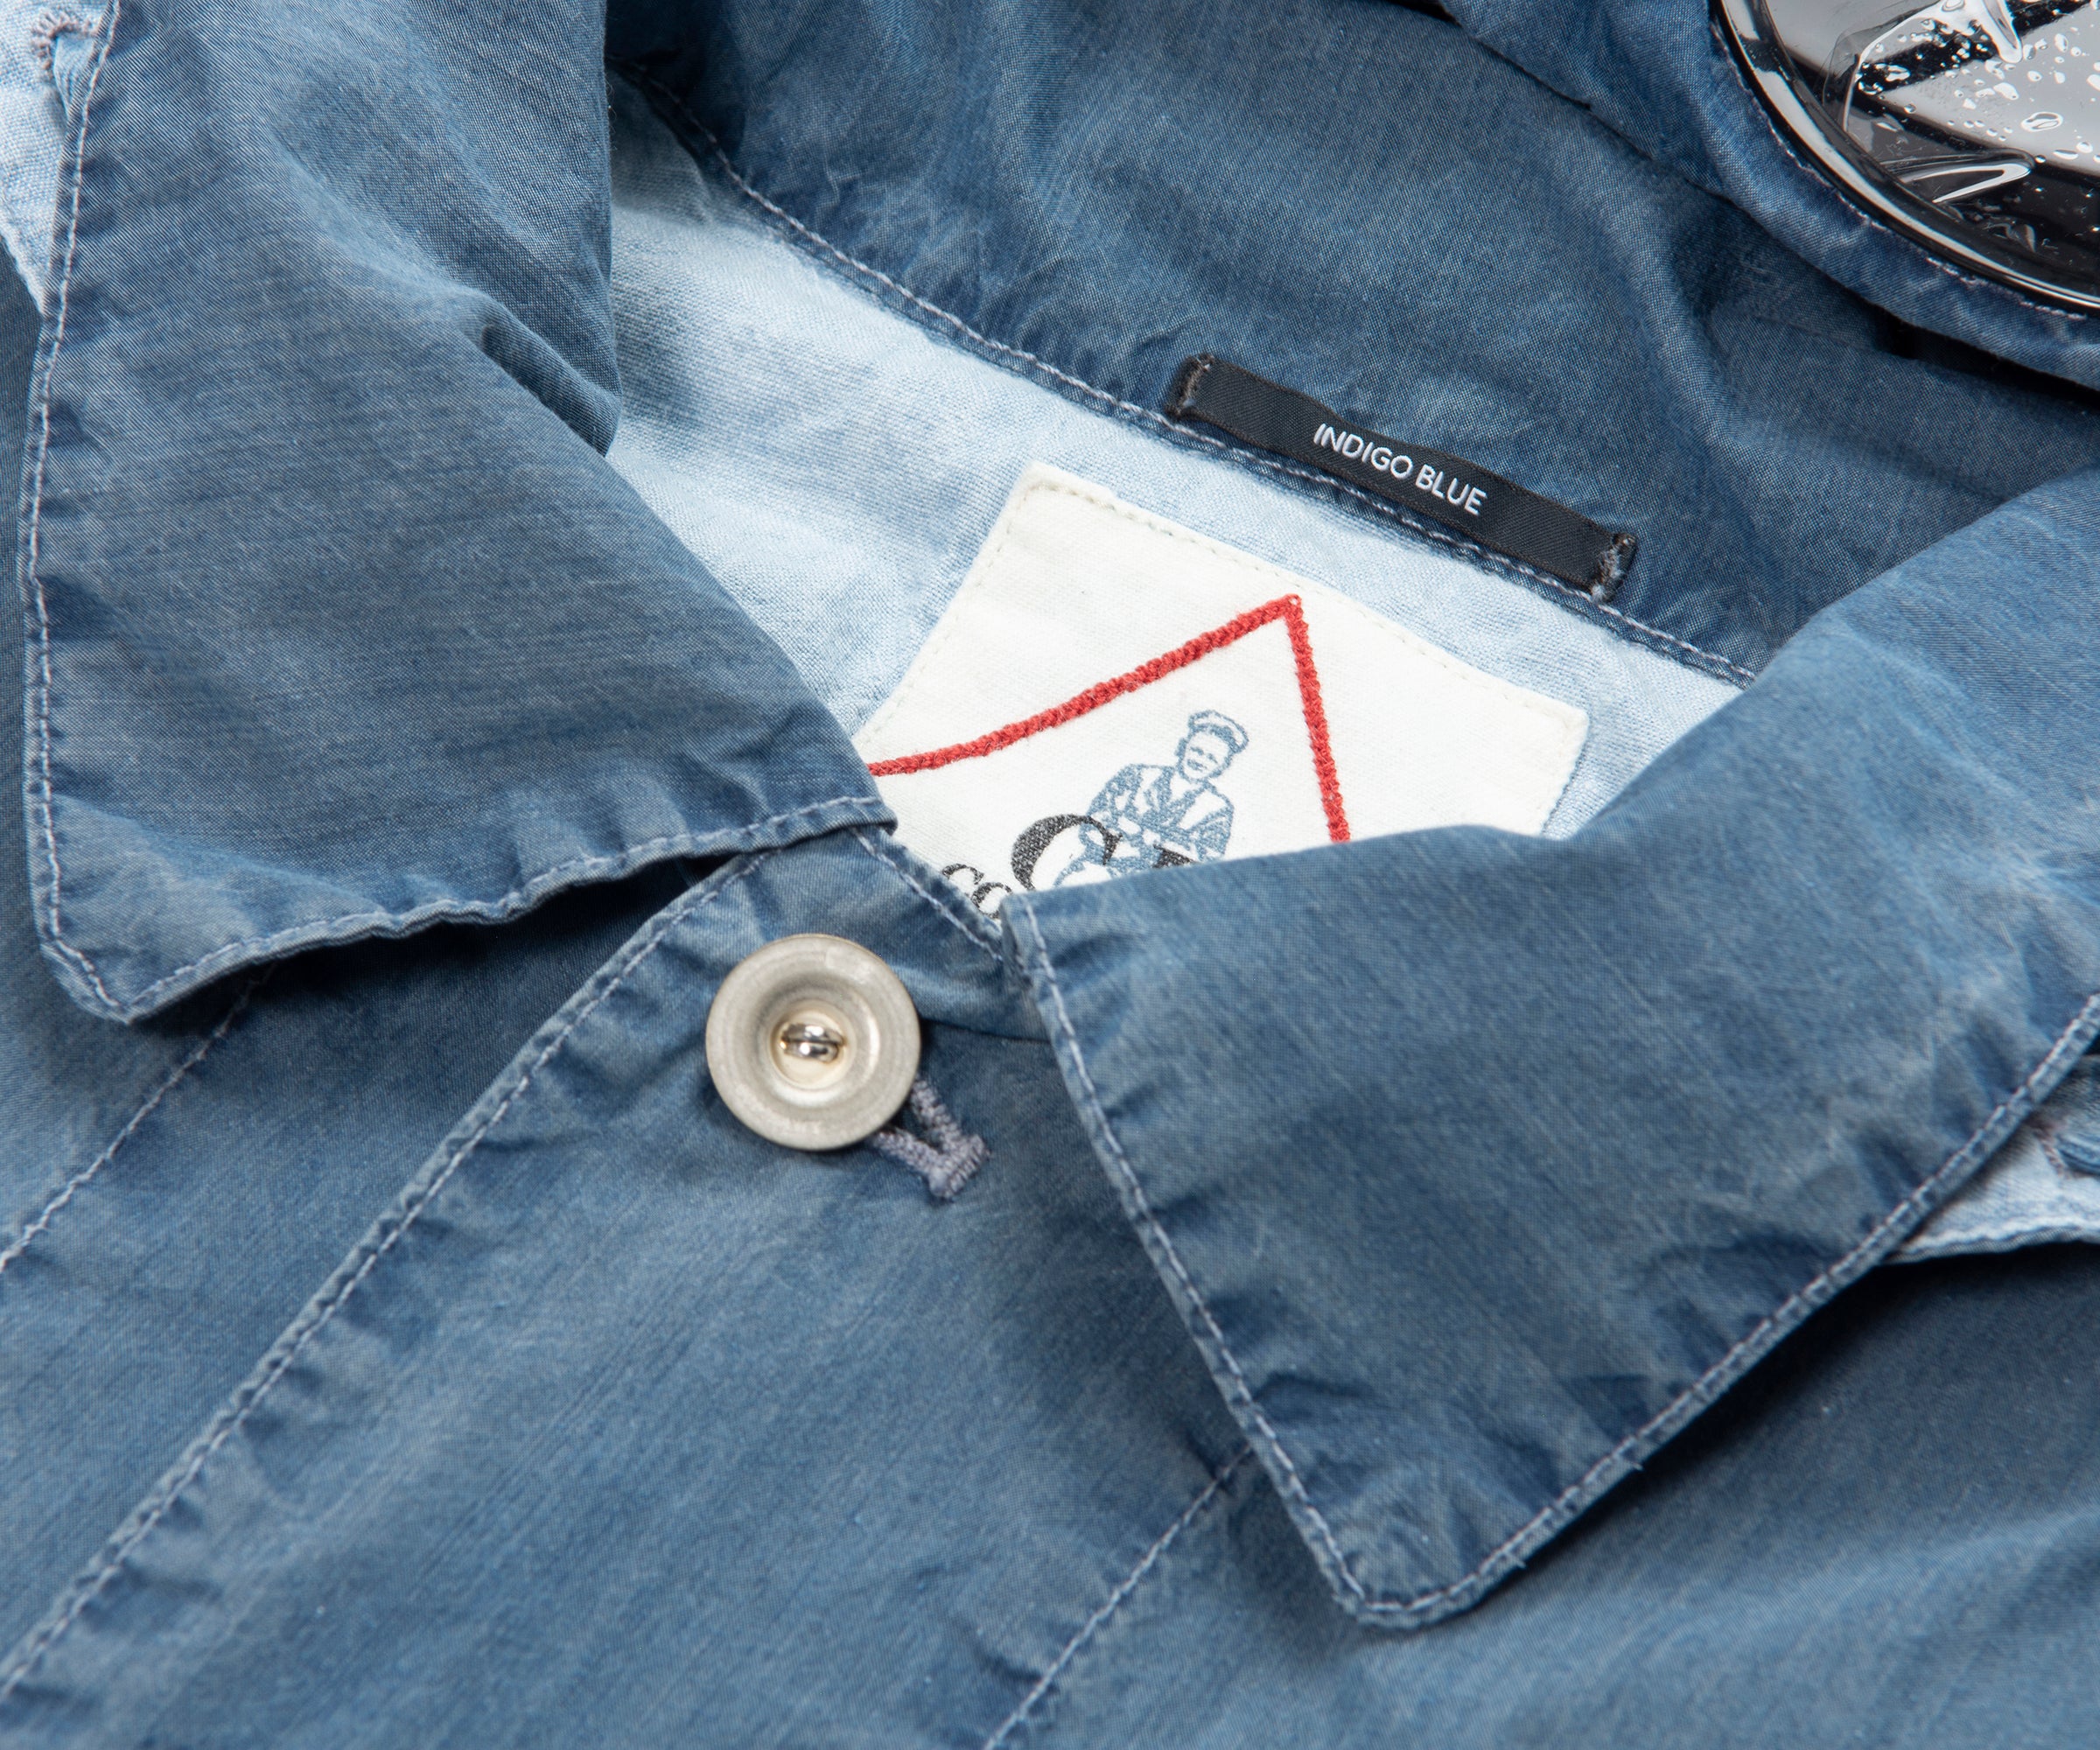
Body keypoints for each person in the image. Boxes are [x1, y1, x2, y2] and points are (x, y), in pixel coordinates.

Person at [1054, 710, 1248, 884]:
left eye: (1211, 758)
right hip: (1097, 869)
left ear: (1222, 766)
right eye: (1197, 751)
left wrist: (1145, 836)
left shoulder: (1217, 809)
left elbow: (1205, 861)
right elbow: (1094, 821)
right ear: (1183, 747)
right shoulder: (1137, 775)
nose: (1200, 760)